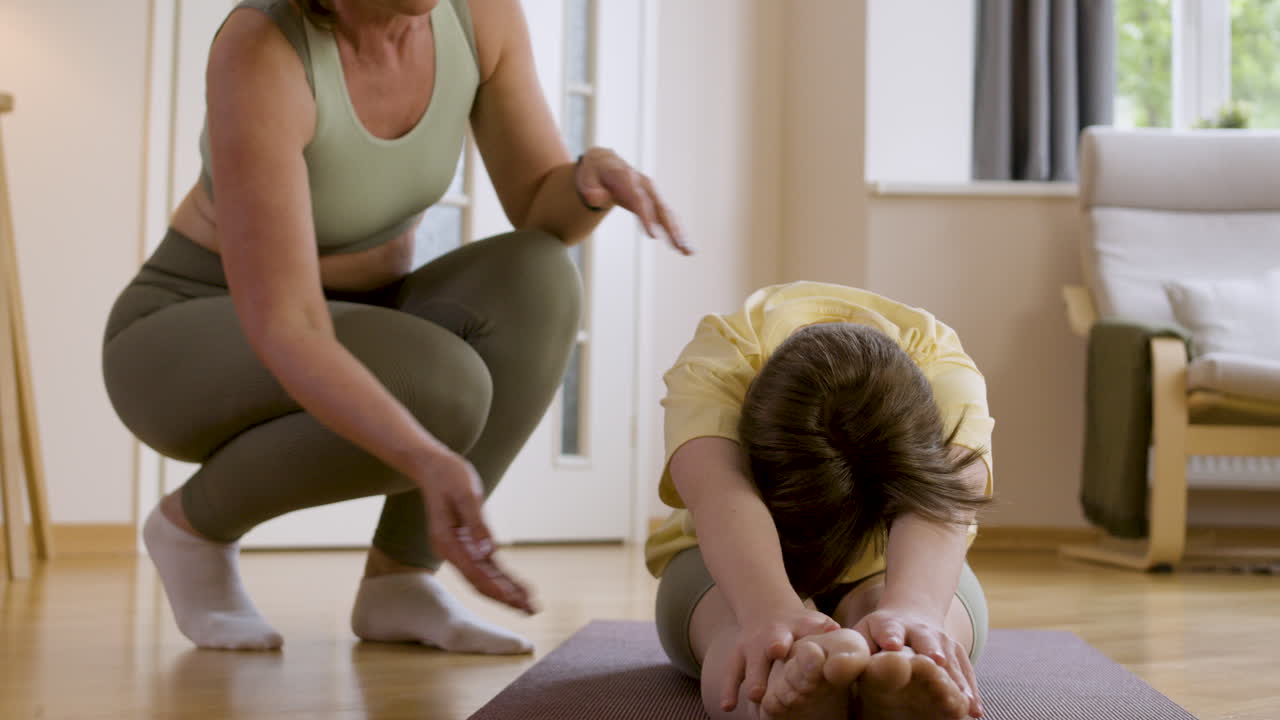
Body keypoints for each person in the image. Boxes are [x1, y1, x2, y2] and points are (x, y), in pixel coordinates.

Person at [102, 0, 686, 653]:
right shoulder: (264, 46)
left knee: (539, 277)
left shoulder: (479, 16)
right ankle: (193, 528)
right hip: (188, 334)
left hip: (362, 317)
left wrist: (586, 183)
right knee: (441, 386)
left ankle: (400, 579)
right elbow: (290, 324)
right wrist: (426, 457)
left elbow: (538, 211)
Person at [647, 281, 994, 719]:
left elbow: (945, 503)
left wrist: (915, 609)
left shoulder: (944, 366)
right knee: (741, 633)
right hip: (734, 560)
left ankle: (905, 672)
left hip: (897, 559)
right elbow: (720, 493)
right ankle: (770, 699)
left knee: (926, 632)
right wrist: (768, 610)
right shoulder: (720, 358)